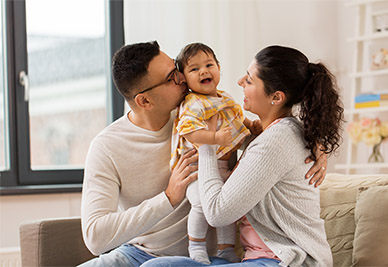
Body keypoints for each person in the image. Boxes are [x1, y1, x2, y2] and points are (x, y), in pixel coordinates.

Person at [79, 41, 328, 267]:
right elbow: (95, 237)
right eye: (171, 78)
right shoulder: (107, 146)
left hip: (206, 257)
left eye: (177, 69)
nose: (183, 78)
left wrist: (316, 142)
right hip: (137, 252)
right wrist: (169, 197)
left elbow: (272, 137)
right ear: (144, 101)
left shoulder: (208, 115)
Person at [141, 45, 344, 267]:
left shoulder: (276, 140)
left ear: (276, 97)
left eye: (249, 80)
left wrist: (207, 144)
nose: (239, 82)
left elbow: (217, 214)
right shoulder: (273, 133)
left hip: (288, 261)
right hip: (260, 260)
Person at [171, 43, 261, 264]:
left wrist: (251, 126)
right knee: (201, 204)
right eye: (194, 69)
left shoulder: (225, 98)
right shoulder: (193, 103)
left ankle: (225, 249)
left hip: (222, 169)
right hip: (196, 171)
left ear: (219, 68)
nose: (203, 71)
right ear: (184, 79)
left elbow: (237, 121)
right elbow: (191, 133)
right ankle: (196, 245)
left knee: (227, 208)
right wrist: (214, 139)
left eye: (209, 64)